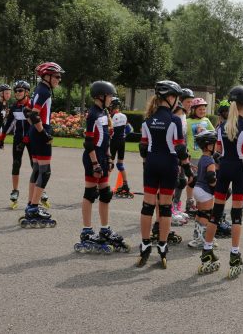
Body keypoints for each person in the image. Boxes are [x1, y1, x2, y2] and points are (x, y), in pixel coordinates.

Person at [199, 85, 243, 279]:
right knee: (237, 215)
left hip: (223, 169)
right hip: (239, 172)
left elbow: (218, 153)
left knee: (216, 213)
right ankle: (234, 254)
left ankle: (206, 251)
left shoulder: (221, 126)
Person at [137, 80, 191, 268]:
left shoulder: (147, 120)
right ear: (169, 98)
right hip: (169, 165)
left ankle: (144, 245)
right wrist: (188, 168)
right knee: (166, 207)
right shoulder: (175, 120)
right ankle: (162, 245)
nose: (178, 102)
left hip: (151, 164)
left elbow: (143, 148)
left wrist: (148, 164)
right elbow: (180, 149)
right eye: (176, 98)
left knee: (147, 206)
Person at [75, 81, 130, 253]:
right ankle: (86, 231)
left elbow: (106, 138)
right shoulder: (92, 114)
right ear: (101, 96)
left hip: (102, 157)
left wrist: (108, 157)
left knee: (105, 194)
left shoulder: (104, 112)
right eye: (110, 95)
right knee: (90, 193)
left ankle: (105, 228)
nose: (112, 99)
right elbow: (89, 142)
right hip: (93, 157)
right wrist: (95, 163)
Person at [18, 62, 64, 228]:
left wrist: (34, 130)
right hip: (40, 130)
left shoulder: (39, 89)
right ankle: (34, 208)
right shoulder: (44, 91)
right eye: (57, 76)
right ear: (47, 76)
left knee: (37, 170)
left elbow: (26, 112)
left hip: (34, 131)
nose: (59, 79)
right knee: (45, 172)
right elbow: (35, 115)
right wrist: (43, 133)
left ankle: (31, 204)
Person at [0, 80, 33, 209]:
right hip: (18, 138)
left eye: (20, 90)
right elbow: (9, 124)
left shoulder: (32, 105)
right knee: (16, 164)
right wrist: (1, 138)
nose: (17, 93)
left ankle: (39, 190)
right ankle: (15, 191)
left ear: (26, 92)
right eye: (16, 91)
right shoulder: (15, 107)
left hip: (31, 139)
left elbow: (35, 125)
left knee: (34, 166)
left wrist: (26, 138)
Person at [188, 130, 219, 251]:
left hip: (197, 189)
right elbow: (211, 178)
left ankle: (197, 236)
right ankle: (203, 239)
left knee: (200, 213)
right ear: (210, 146)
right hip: (205, 191)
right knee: (206, 214)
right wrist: (218, 188)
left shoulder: (202, 158)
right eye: (215, 144)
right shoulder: (210, 161)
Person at [185, 96, 215, 214]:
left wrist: (204, 131)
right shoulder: (188, 122)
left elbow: (214, 133)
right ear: (193, 110)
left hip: (204, 155)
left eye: (204, 109)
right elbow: (183, 136)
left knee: (202, 180)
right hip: (192, 155)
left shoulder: (206, 121)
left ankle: (200, 204)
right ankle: (189, 201)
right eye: (200, 109)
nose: (202, 111)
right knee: (192, 180)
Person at [109, 97, 134, 199]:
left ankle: (102, 186)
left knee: (109, 164)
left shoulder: (110, 117)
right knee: (120, 164)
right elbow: (130, 129)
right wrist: (123, 135)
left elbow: (108, 131)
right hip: (122, 142)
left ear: (112, 107)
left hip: (114, 142)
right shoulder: (124, 116)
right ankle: (125, 184)